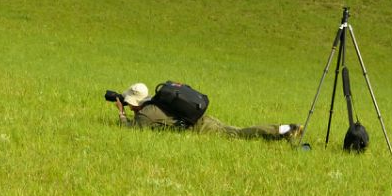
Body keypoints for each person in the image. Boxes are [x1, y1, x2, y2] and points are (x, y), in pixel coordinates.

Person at [110, 82, 303, 141]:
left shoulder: (144, 115)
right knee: (236, 131)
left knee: (239, 134)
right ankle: (282, 133)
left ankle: (285, 129)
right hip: (202, 119)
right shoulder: (154, 102)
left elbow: (132, 131)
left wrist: (121, 113)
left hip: (200, 129)